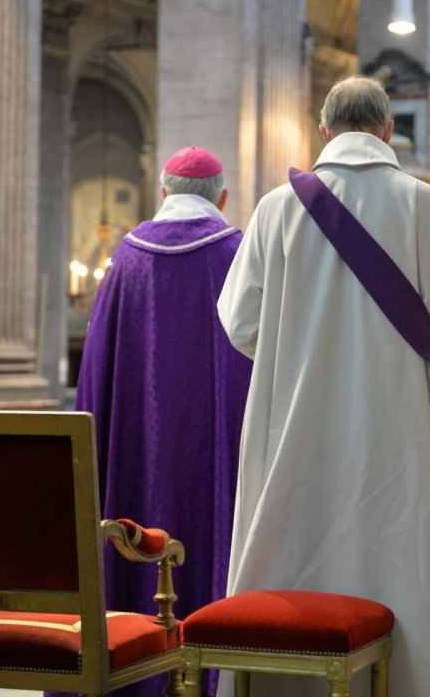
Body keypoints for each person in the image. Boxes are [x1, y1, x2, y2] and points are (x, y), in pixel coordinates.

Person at [217, 75, 430, 697]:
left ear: (323, 132)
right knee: (398, 578)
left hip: (295, 433)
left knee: (291, 573)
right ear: (389, 130)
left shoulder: (275, 208)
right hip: (398, 442)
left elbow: (240, 323)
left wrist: (300, 352)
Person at [73, 146, 252, 697]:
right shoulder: (235, 254)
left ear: (164, 194)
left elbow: (95, 374)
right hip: (214, 456)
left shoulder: (126, 259)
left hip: (137, 459)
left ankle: (130, 673)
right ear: (221, 197)